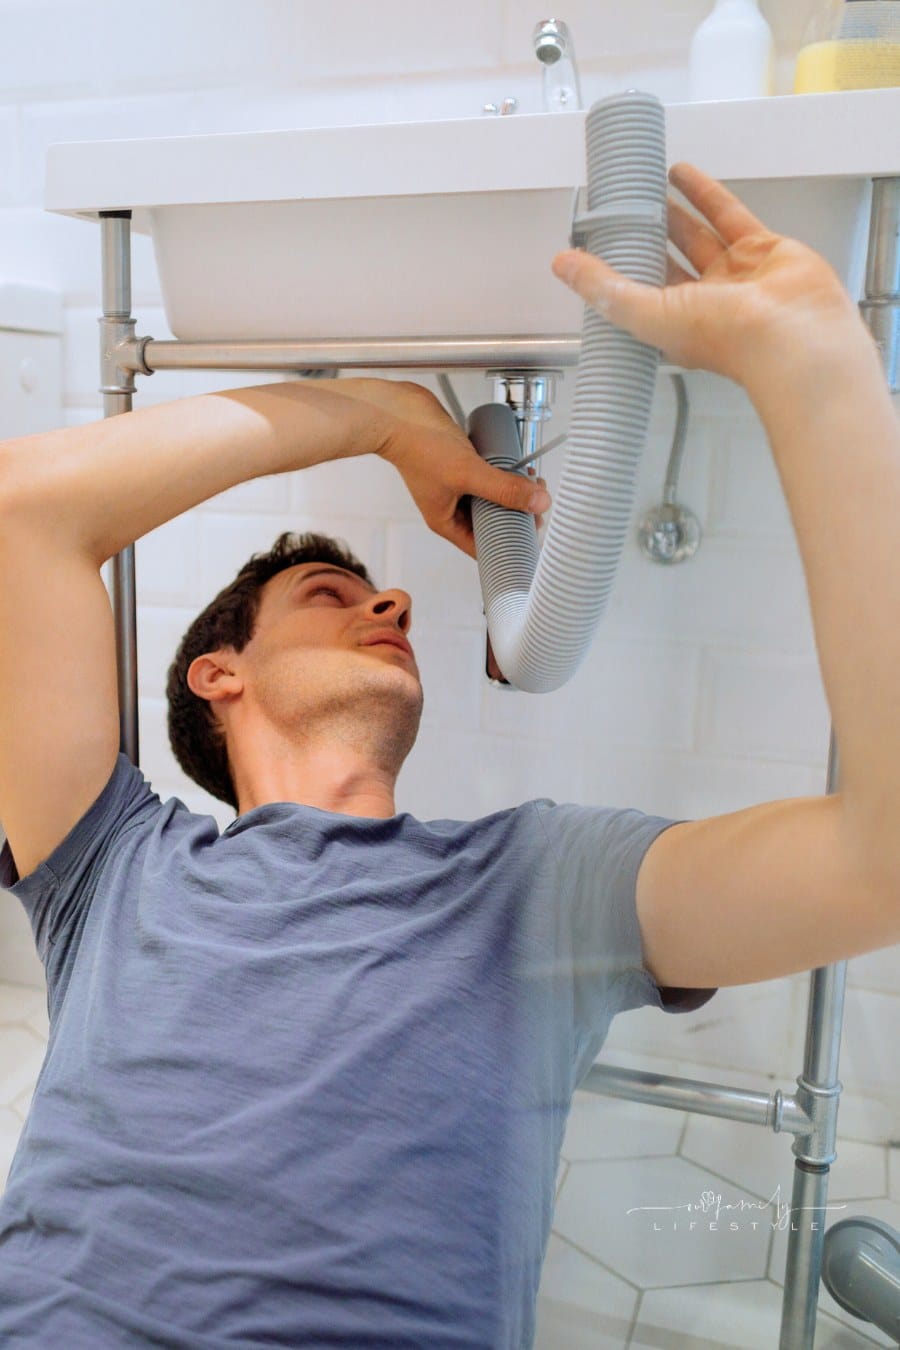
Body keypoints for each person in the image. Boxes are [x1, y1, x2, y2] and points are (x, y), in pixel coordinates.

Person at [0, 161, 896, 1347]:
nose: (396, 609)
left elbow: (879, 859)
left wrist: (815, 369)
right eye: (334, 593)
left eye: (387, 602)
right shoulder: (115, 866)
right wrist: (379, 416)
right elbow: (20, 510)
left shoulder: (538, 886)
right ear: (219, 675)